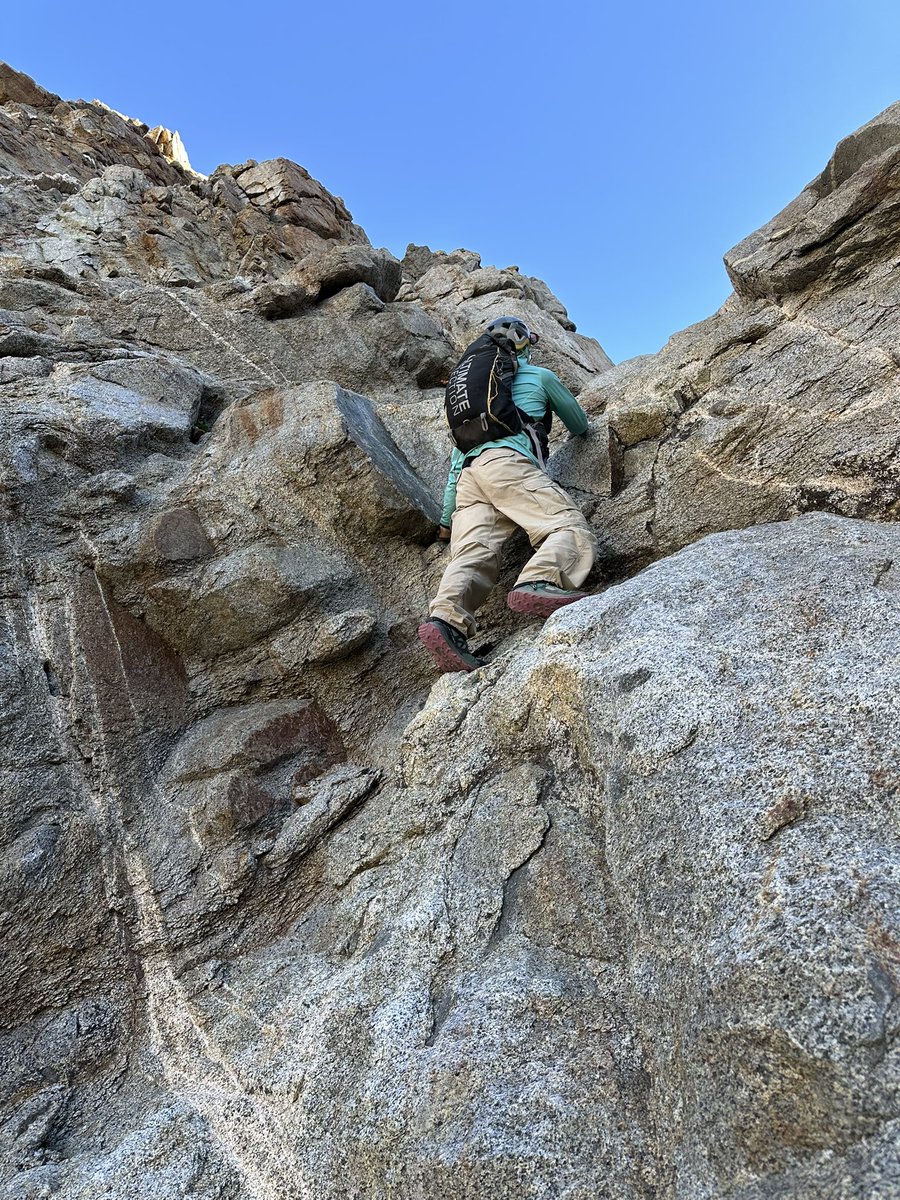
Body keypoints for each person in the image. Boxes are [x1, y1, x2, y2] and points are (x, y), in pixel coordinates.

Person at [418, 316, 597, 673]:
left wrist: (445, 523)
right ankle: (541, 579)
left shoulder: (473, 407)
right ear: (523, 345)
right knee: (566, 526)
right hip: (508, 464)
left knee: (472, 553)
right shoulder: (539, 376)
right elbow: (579, 423)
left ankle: (446, 621)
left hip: (470, 478)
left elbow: (455, 470)